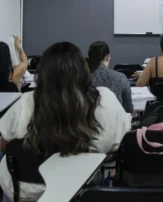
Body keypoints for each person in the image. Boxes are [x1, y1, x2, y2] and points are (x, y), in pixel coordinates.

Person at [0, 42, 131, 202]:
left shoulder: (26, 101)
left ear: (42, 73)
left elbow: (6, 145)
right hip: (83, 188)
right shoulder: (105, 99)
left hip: (27, 191)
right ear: (84, 70)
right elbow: (119, 143)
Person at [88, 41, 133, 113]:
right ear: (108, 57)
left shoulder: (83, 78)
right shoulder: (120, 77)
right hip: (115, 122)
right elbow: (128, 109)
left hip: (89, 122)